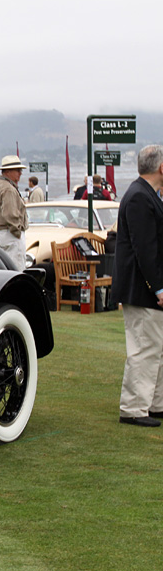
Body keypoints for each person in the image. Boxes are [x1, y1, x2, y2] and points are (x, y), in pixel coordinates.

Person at [114, 145, 163, 427]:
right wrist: (158, 288)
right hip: (142, 288)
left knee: (156, 347)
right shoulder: (138, 198)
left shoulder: (150, 196)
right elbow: (144, 248)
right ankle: (133, 408)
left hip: (148, 287)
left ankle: (155, 403)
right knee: (144, 348)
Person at [0, 155, 29, 269]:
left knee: (2, 268)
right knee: (16, 269)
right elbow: (10, 214)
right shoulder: (8, 189)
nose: (20, 173)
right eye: (18, 170)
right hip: (9, 234)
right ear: (8, 171)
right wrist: (17, 233)